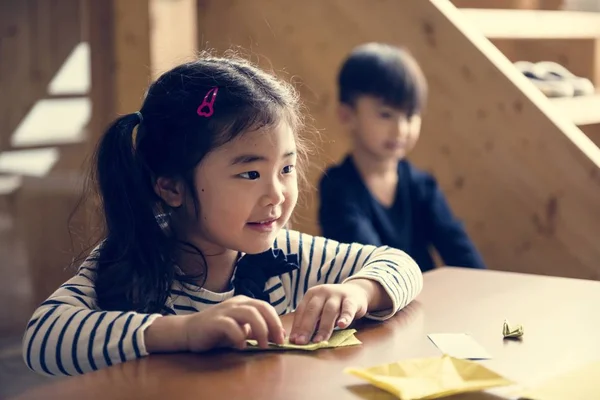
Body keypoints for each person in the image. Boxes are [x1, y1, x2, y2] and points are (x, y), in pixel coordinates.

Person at [22, 54, 423, 376]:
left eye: (285, 168)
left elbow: (401, 264)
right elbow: (43, 340)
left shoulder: (285, 254)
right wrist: (183, 331)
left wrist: (358, 290)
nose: (278, 194)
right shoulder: (132, 256)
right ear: (171, 187)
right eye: (250, 173)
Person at [318, 43, 486, 272]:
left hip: (428, 299)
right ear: (347, 116)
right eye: (386, 115)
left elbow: (461, 252)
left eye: (410, 116)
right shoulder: (338, 188)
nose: (400, 130)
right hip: (374, 303)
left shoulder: (422, 185)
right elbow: (375, 267)